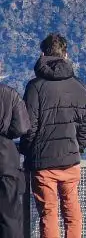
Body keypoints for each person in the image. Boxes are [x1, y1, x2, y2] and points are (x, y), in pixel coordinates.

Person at [20, 33, 86, 238]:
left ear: (43, 54)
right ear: (66, 55)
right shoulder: (79, 86)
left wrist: (27, 151)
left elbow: (29, 126)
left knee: (48, 213)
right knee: (72, 211)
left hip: (42, 162)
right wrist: (78, 148)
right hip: (70, 160)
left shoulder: (34, 87)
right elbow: (85, 124)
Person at [1, 82, 31, 238]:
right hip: (6, 158)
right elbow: (21, 127)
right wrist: (7, 133)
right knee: (10, 216)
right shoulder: (10, 94)